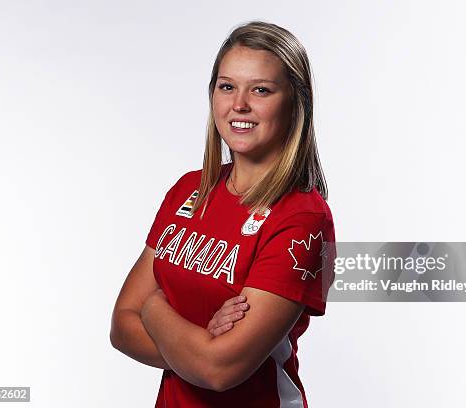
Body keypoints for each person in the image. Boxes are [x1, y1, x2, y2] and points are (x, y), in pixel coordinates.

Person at [110, 20, 336, 407]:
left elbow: (220, 370)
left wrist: (154, 307)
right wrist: (198, 347)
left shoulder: (302, 219)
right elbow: (121, 326)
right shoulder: (189, 190)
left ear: (296, 103)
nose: (239, 105)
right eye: (227, 86)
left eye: (261, 90)